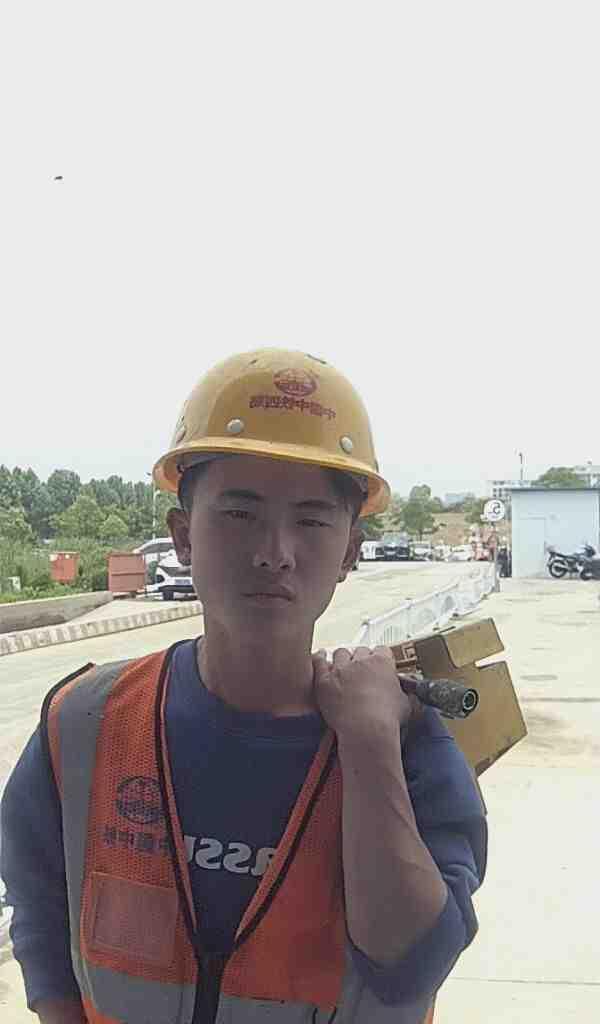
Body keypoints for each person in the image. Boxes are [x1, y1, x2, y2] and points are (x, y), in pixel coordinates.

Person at [1, 349, 486, 1024]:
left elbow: (411, 966)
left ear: (350, 552)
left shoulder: (408, 747)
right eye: (240, 514)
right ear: (183, 537)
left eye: (311, 520)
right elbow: (41, 918)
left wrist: (368, 744)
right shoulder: (85, 723)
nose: (274, 553)